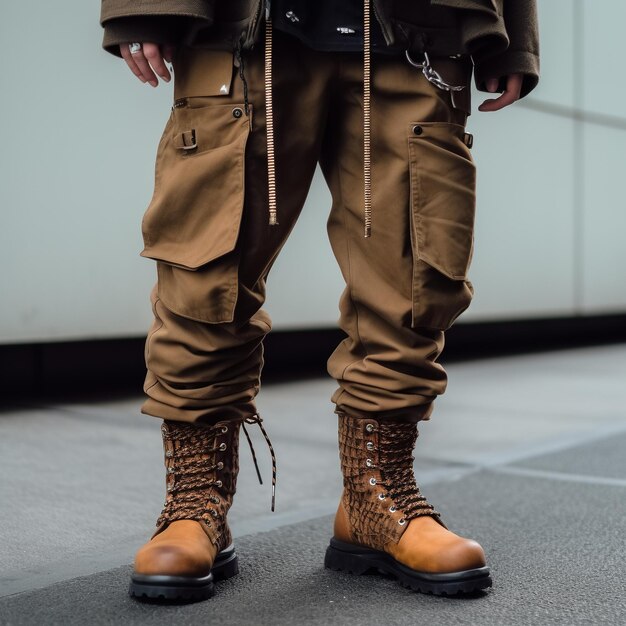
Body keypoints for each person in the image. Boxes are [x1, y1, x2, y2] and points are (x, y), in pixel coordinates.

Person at [100, 0, 539, 602]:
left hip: (415, 34)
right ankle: (193, 501)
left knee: (413, 283)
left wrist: (513, 34)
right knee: (206, 273)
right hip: (246, 32)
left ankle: (376, 498)